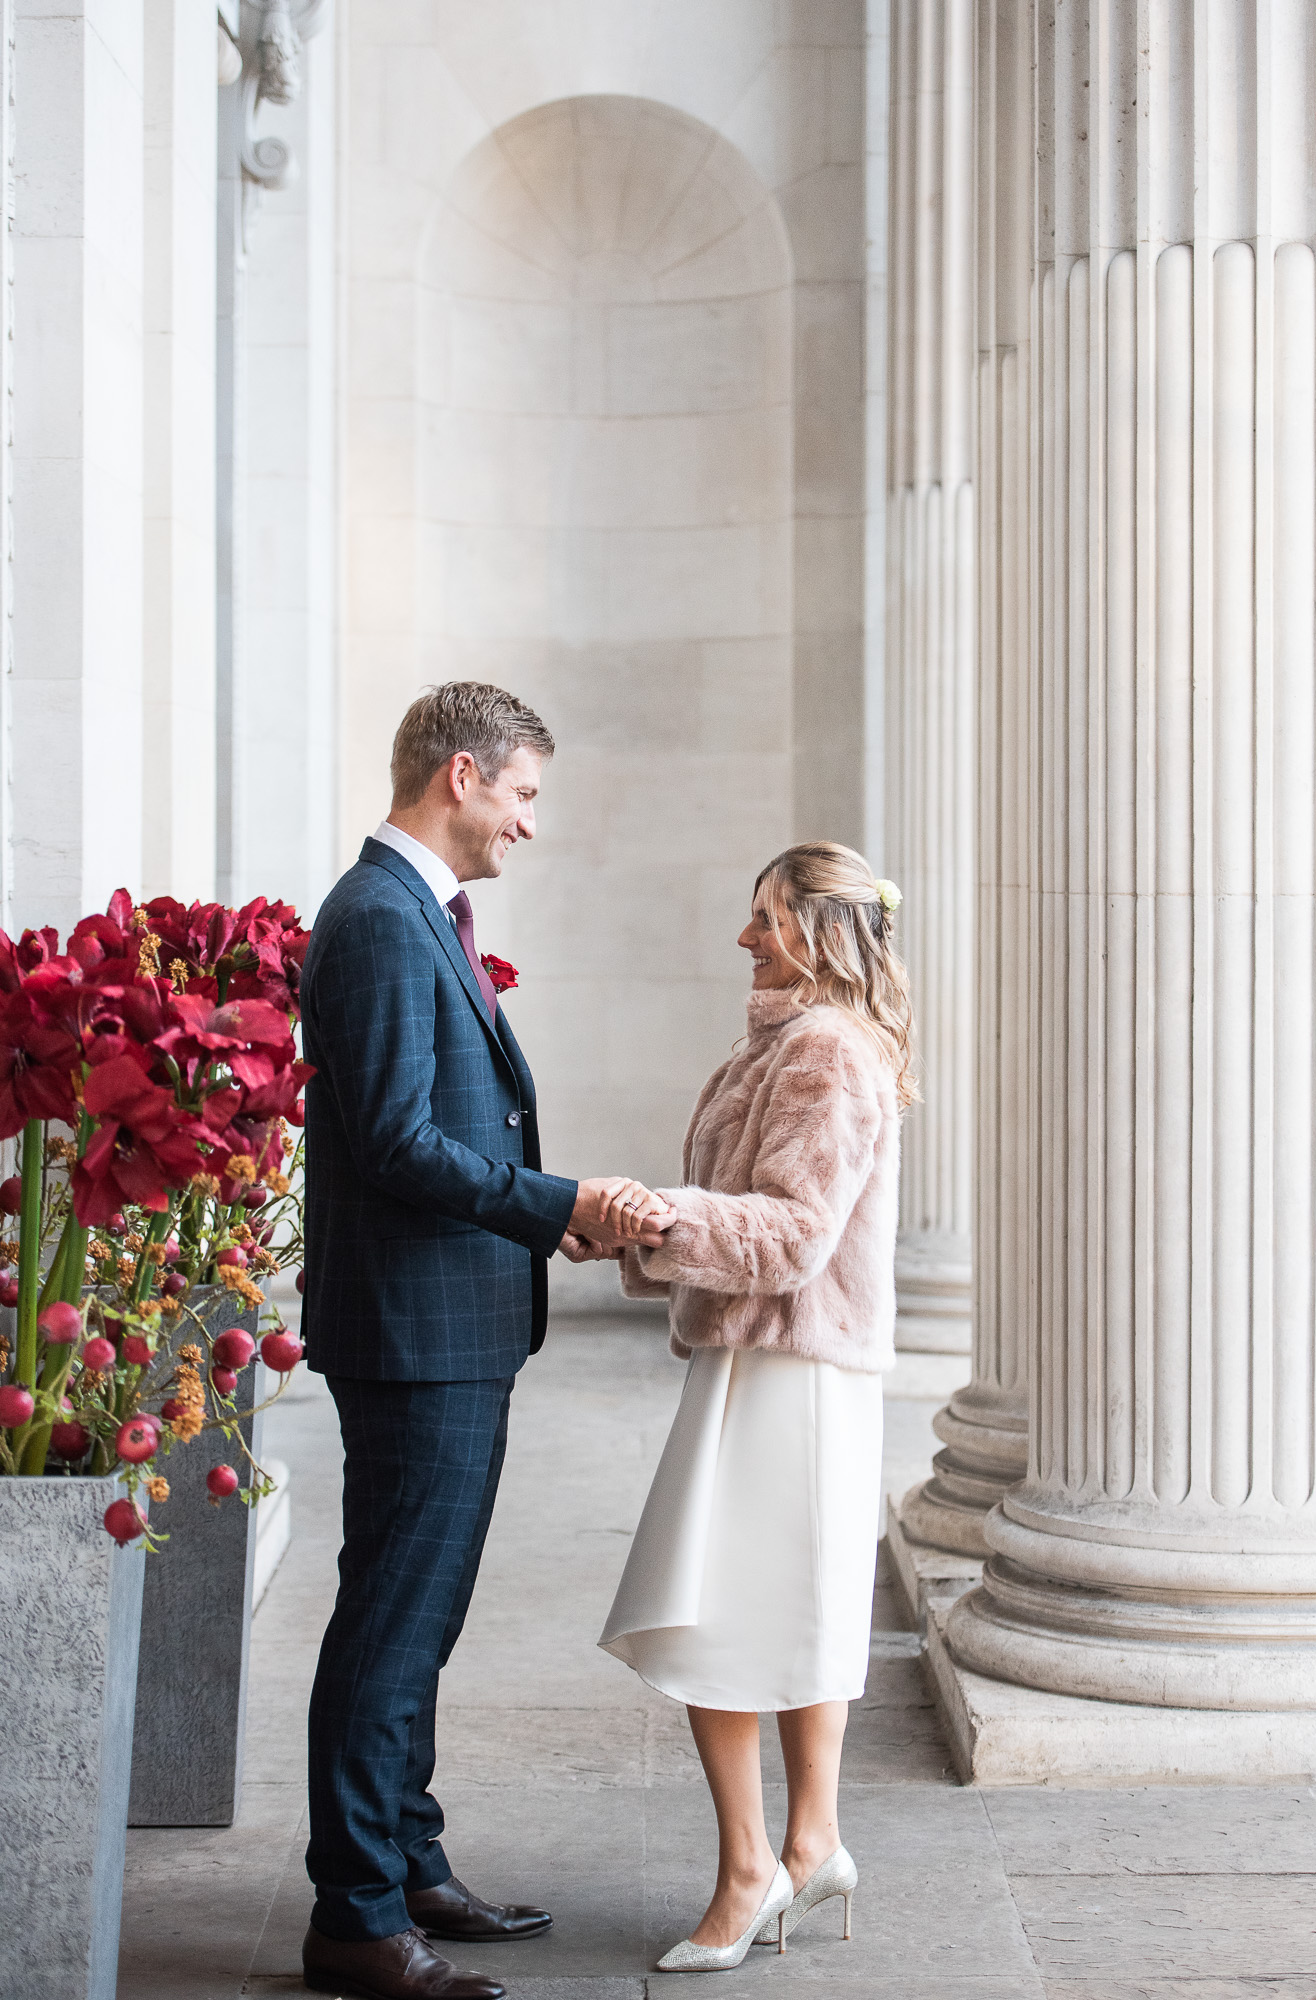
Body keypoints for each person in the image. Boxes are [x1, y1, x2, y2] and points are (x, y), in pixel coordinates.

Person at [298, 682, 672, 2000]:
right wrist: (554, 1203)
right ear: (459, 777)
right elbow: (399, 1141)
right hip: (413, 1333)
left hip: (446, 1317)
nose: (528, 826)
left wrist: (539, 1219)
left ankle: (405, 1861)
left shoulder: (413, 915)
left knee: (422, 1614)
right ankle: (353, 1913)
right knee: (393, 1623)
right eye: (520, 796)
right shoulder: (381, 923)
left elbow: (442, 1133)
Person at [598, 841, 914, 1974]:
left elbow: (790, 1233)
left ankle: (747, 1872)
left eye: (766, 917)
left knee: (717, 1618)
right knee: (794, 1612)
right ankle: (811, 1839)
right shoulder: (803, 1041)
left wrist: (653, 1218)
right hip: (791, 1364)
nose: (744, 937)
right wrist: (641, 1228)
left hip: (783, 1365)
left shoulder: (823, 1050)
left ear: (820, 933)